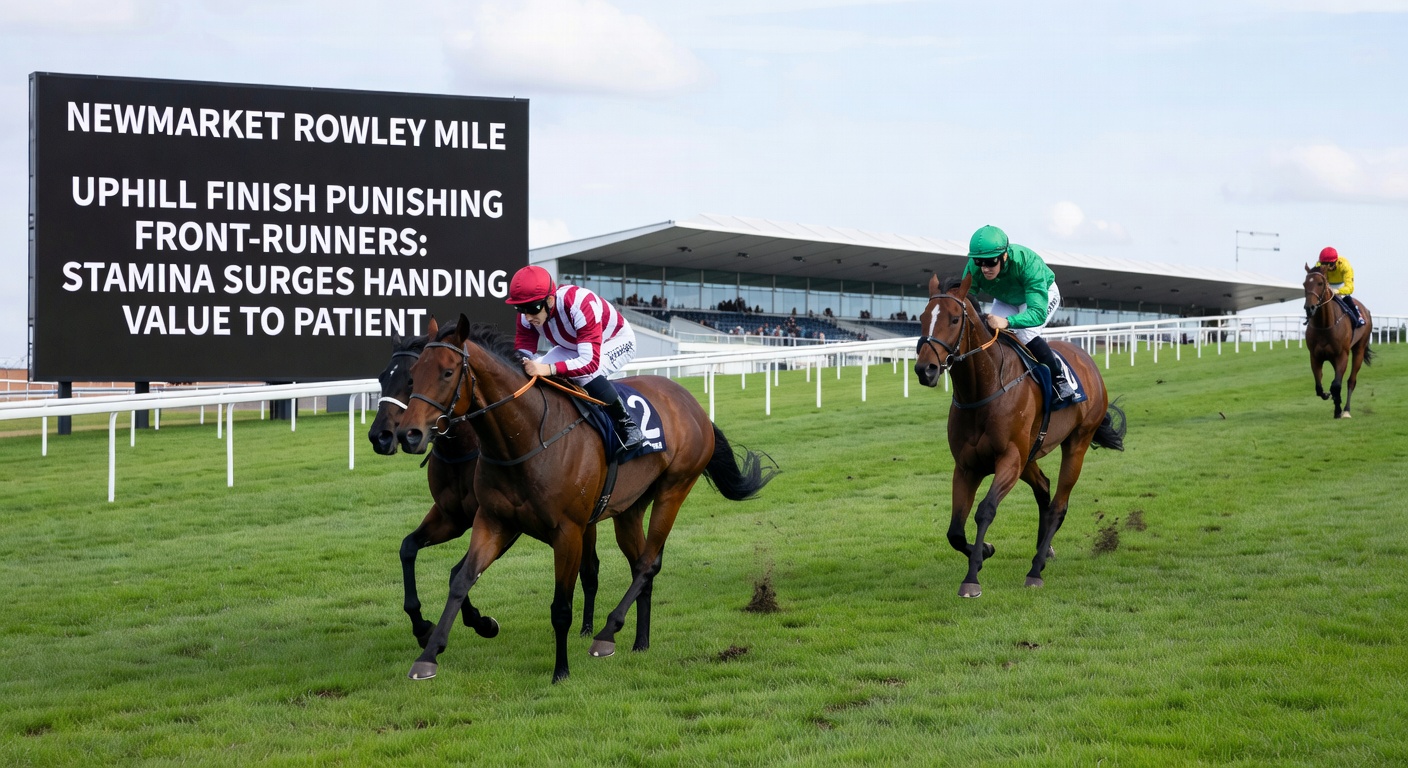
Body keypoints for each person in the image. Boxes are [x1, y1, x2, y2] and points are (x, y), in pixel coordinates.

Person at [505, 265, 644, 453]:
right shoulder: (527, 315)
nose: (528, 316)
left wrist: (549, 369)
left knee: (585, 375)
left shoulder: (579, 304)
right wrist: (533, 366)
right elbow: (523, 354)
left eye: (533, 308)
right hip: (572, 345)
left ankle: (628, 426)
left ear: (550, 300)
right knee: (532, 371)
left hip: (614, 340)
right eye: (520, 308)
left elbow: (589, 362)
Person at [962, 225, 1076, 401]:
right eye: (979, 262)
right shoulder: (974, 267)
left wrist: (1007, 322)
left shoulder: (1027, 262)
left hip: (1041, 296)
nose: (984, 268)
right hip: (1006, 299)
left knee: (1026, 333)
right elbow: (964, 298)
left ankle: (1059, 380)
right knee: (990, 333)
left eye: (991, 261)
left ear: (1004, 255)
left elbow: (1037, 313)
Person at [1317, 247, 1364, 327]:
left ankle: (1358, 316)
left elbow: (1350, 288)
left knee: (1346, 299)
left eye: (1330, 265)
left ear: (1335, 262)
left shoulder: (1345, 265)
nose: (1327, 267)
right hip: (1327, 283)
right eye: (1324, 264)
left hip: (1341, 285)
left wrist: (1337, 291)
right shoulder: (1318, 265)